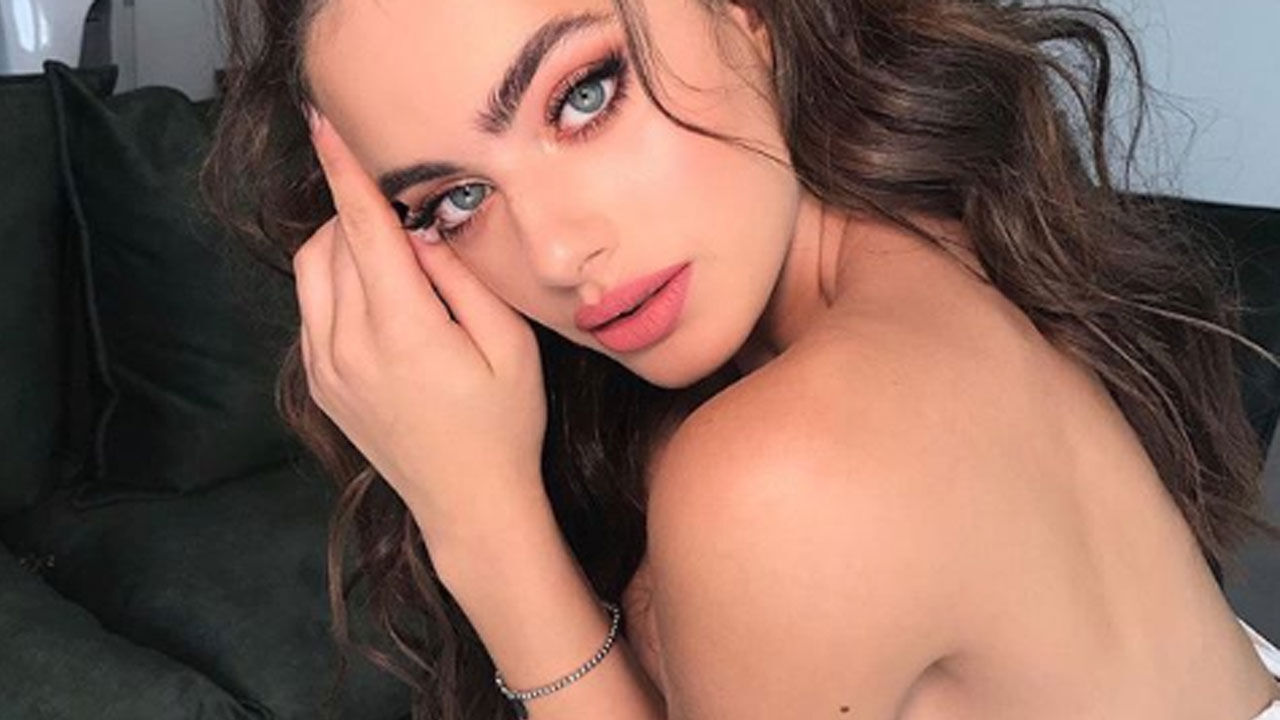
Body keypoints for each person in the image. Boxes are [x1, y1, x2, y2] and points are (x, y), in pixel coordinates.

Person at [201, 0, 1280, 717]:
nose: (556, 253)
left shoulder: (783, 470)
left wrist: (481, 521)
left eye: (584, 95)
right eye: (455, 199)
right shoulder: (945, 245)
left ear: (746, 12)